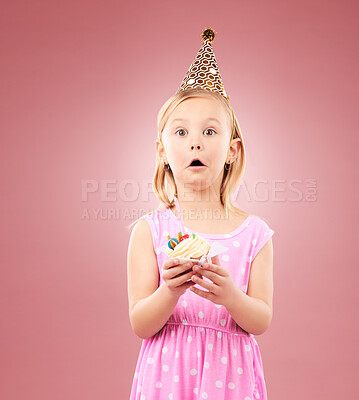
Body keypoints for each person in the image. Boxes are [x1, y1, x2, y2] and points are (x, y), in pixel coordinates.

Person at [127, 28, 275, 400]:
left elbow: (261, 319)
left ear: (232, 150)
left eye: (210, 131)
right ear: (162, 150)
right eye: (181, 132)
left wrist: (230, 296)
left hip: (231, 377)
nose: (195, 141)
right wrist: (170, 290)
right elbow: (141, 324)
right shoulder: (150, 232)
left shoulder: (255, 234)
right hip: (167, 374)